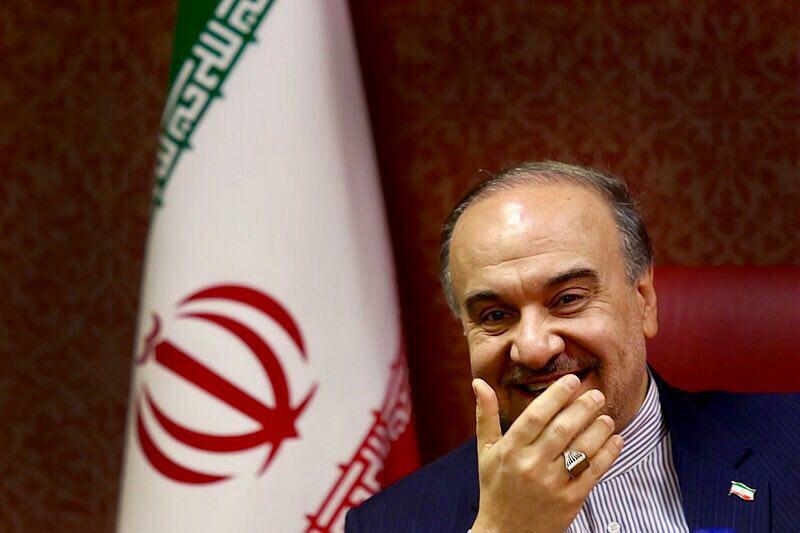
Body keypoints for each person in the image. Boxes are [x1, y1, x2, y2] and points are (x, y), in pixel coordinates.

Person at [345, 161, 800, 532]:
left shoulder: (790, 443)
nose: (534, 349)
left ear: (644, 300)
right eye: (495, 315)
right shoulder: (388, 524)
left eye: (568, 299)